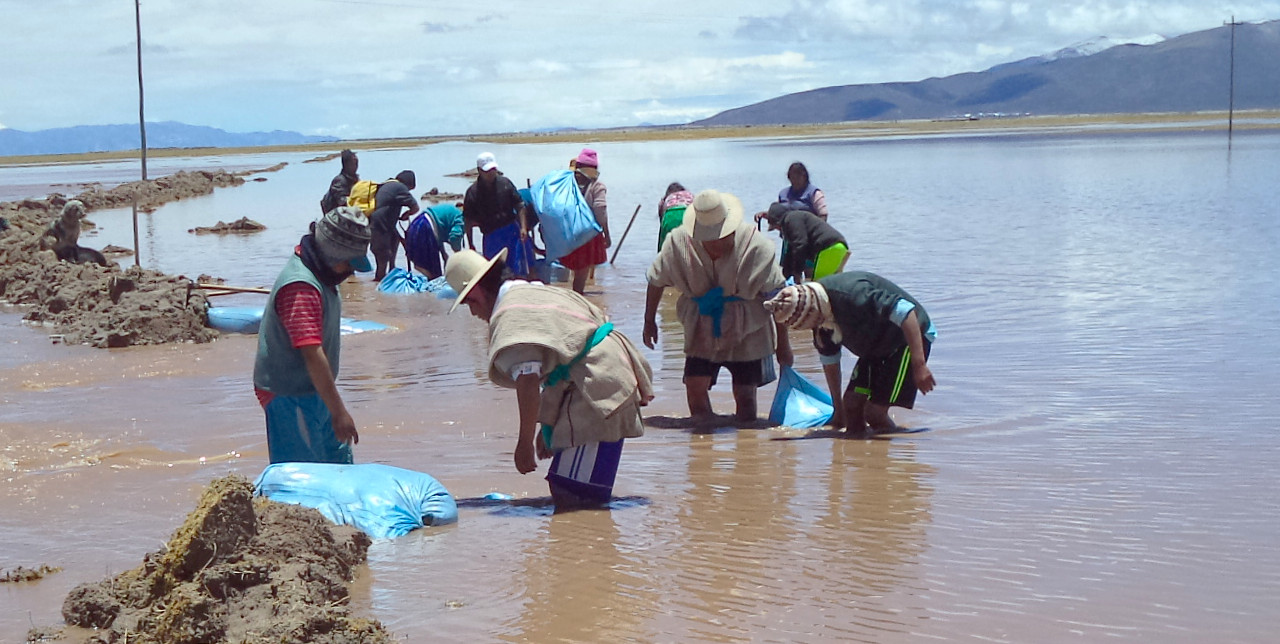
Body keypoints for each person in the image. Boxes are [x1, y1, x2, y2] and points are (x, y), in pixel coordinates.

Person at [445, 247, 653, 508]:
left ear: (475, 293)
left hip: (598, 387)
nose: (473, 314)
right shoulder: (532, 292)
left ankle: (588, 543)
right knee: (576, 490)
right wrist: (549, 426)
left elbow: (529, 380)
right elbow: (561, 365)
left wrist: (523, 444)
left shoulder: (511, 315)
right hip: (606, 376)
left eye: (469, 304)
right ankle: (592, 539)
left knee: (575, 492)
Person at [644, 190, 792, 423]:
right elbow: (656, 280)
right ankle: (704, 441)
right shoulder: (678, 243)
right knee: (695, 387)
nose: (719, 242)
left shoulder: (756, 247)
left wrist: (783, 345)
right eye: (711, 238)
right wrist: (648, 320)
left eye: (723, 236)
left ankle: (746, 449)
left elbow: (778, 297)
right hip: (701, 325)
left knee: (745, 395)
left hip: (748, 327)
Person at [253, 206, 373, 464]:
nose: (351, 271)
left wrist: (334, 405)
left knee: (339, 462)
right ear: (333, 252)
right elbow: (311, 352)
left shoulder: (324, 276)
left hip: (315, 389)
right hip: (288, 392)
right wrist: (339, 411)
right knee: (304, 473)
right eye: (349, 263)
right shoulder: (301, 286)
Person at [763, 272, 937, 436]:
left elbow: (906, 312)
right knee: (851, 406)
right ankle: (858, 459)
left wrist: (919, 365)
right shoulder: (822, 323)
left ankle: (893, 455)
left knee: (874, 413)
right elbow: (830, 361)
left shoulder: (854, 295)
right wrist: (838, 409)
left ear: (815, 310)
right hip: (874, 346)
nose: (816, 326)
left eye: (814, 321)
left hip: (903, 340)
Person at [463, 151, 534, 278]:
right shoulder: (472, 193)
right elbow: (468, 220)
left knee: (522, 268)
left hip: (512, 230)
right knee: (495, 273)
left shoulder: (505, 183)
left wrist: (523, 227)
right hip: (491, 236)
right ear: (479, 170)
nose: (491, 173)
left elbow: (519, 206)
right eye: (487, 171)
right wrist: (471, 243)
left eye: (493, 169)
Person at [557, 148, 610, 294]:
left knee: (575, 270)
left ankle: (574, 295)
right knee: (581, 274)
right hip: (588, 234)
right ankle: (577, 297)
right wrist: (606, 234)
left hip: (569, 232)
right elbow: (600, 211)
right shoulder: (597, 187)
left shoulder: (567, 185)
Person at [756, 202, 849, 281]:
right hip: (838, 247)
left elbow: (800, 245)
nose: (778, 230)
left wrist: (797, 272)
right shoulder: (795, 219)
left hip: (829, 247)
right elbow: (791, 253)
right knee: (829, 285)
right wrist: (786, 276)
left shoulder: (791, 219)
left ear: (778, 222)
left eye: (776, 227)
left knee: (819, 287)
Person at [369, 170, 419, 281]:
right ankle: (379, 285)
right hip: (379, 226)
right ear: (409, 183)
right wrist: (407, 214)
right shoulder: (400, 187)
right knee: (383, 258)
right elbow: (415, 208)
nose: (408, 191)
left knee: (395, 240)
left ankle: (391, 273)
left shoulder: (388, 184)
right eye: (410, 189)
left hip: (377, 224)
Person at [405, 201, 465, 280]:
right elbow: (454, 236)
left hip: (416, 224)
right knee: (435, 275)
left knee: (423, 266)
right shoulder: (461, 217)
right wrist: (460, 256)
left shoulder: (451, 211)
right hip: (426, 228)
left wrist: (443, 254)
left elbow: (439, 229)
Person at [320, 149, 359, 215]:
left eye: (357, 163)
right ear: (347, 164)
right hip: (334, 214)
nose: (356, 166)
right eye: (354, 163)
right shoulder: (339, 180)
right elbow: (341, 201)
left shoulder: (355, 178)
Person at [657, 182, 693, 251]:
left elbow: (662, 221)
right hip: (689, 215)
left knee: (664, 250)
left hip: (670, 218)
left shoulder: (664, 201)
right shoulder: (689, 196)